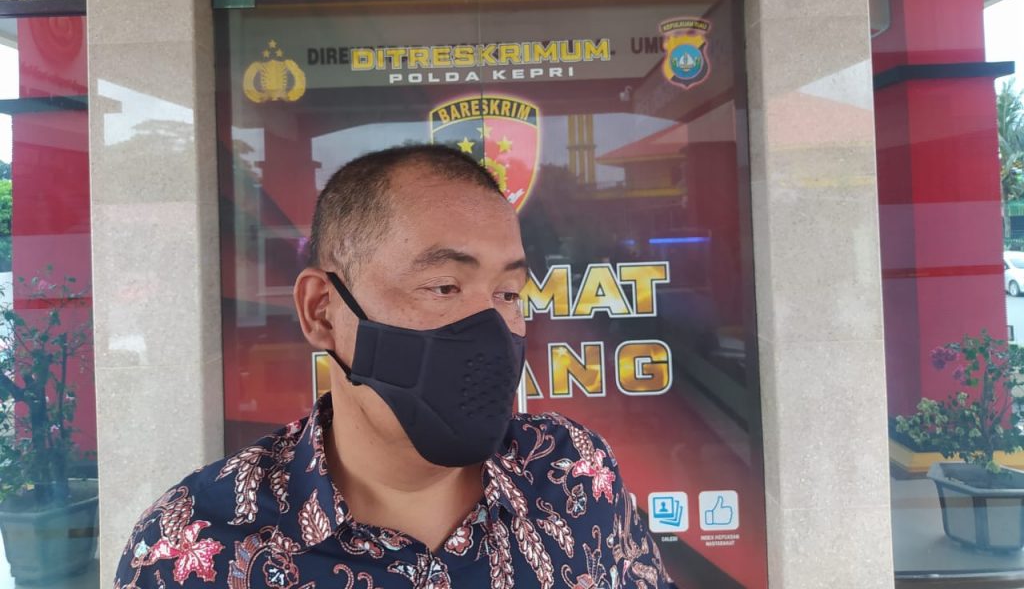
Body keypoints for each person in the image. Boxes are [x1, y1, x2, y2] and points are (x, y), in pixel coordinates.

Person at [115, 144, 675, 589]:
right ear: (322, 310)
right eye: (444, 286)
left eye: (508, 293)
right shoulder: (194, 546)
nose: (491, 329)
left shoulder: (573, 472)